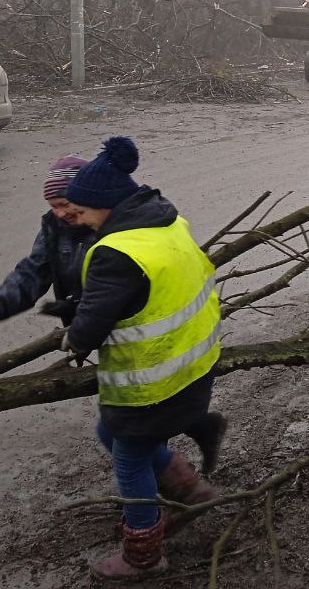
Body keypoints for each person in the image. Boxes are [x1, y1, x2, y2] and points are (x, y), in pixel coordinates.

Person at [60, 136, 226, 579]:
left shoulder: (117, 252)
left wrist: (74, 341)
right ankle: (190, 490)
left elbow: (93, 320)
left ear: (105, 205)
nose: (80, 222)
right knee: (111, 432)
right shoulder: (167, 223)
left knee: (129, 458)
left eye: (82, 212)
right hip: (194, 366)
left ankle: (143, 555)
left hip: (153, 383)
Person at [0, 155, 93, 343]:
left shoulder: (111, 226)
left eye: (64, 204)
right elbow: (33, 272)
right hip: (89, 330)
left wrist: (82, 309)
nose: (60, 213)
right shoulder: (55, 228)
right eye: (53, 206)